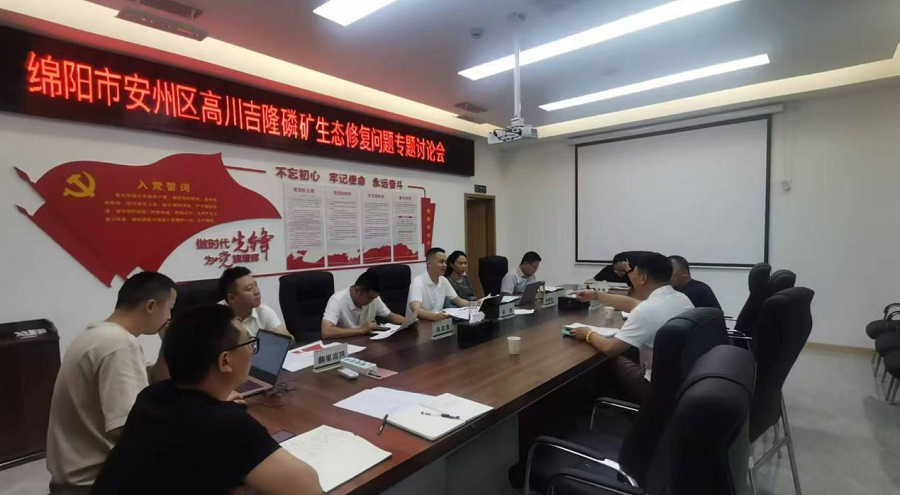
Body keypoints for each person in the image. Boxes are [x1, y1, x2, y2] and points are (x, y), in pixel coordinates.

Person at [90, 305, 321, 495]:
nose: (252, 351)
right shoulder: (226, 424)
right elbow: (307, 488)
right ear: (225, 361)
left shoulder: (152, 396)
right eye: (249, 344)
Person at [46, 272, 177, 493]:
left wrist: (168, 342)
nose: (170, 317)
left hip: (74, 480)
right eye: (170, 309)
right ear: (151, 306)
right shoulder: (119, 344)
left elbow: (156, 381)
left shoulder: (97, 334)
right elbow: (128, 427)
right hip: (95, 483)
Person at [571, 253, 694, 404]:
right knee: (628, 351)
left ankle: (595, 407)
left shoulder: (647, 310)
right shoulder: (681, 298)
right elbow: (634, 305)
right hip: (683, 380)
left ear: (643, 278)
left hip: (654, 387)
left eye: (632, 273)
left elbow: (611, 348)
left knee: (605, 359)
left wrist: (588, 334)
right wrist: (596, 295)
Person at [321, 270, 406, 339]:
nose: (372, 301)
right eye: (369, 298)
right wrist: (361, 330)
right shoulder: (337, 300)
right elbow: (326, 332)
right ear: (358, 290)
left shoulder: (374, 299)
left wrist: (409, 322)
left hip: (366, 344)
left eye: (374, 298)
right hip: (345, 346)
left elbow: (391, 316)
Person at [219, 267, 291, 338]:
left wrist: (282, 336)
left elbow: (290, 340)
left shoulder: (263, 311)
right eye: (249, 289)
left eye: (256, 285)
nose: (257, 291)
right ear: (232, 298)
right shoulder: (217, 318)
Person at [408, 247, 469, 321]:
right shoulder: (418, 281)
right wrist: (433, 316)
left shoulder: (443, 280)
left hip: (437, 323)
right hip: (418, 324)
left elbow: (460, 301)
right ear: (429, 264)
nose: (445, 265)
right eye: (441, 262)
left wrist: (476, 304)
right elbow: (415, 309)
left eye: (445, 262)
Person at [588, 251, 652, 286]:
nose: (620, 273)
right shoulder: (608, 270)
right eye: (616, 271)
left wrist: (628, 270)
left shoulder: (632, 271)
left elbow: (638, 285)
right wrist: (589, 282)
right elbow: (594, 280)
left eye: (622, 271)